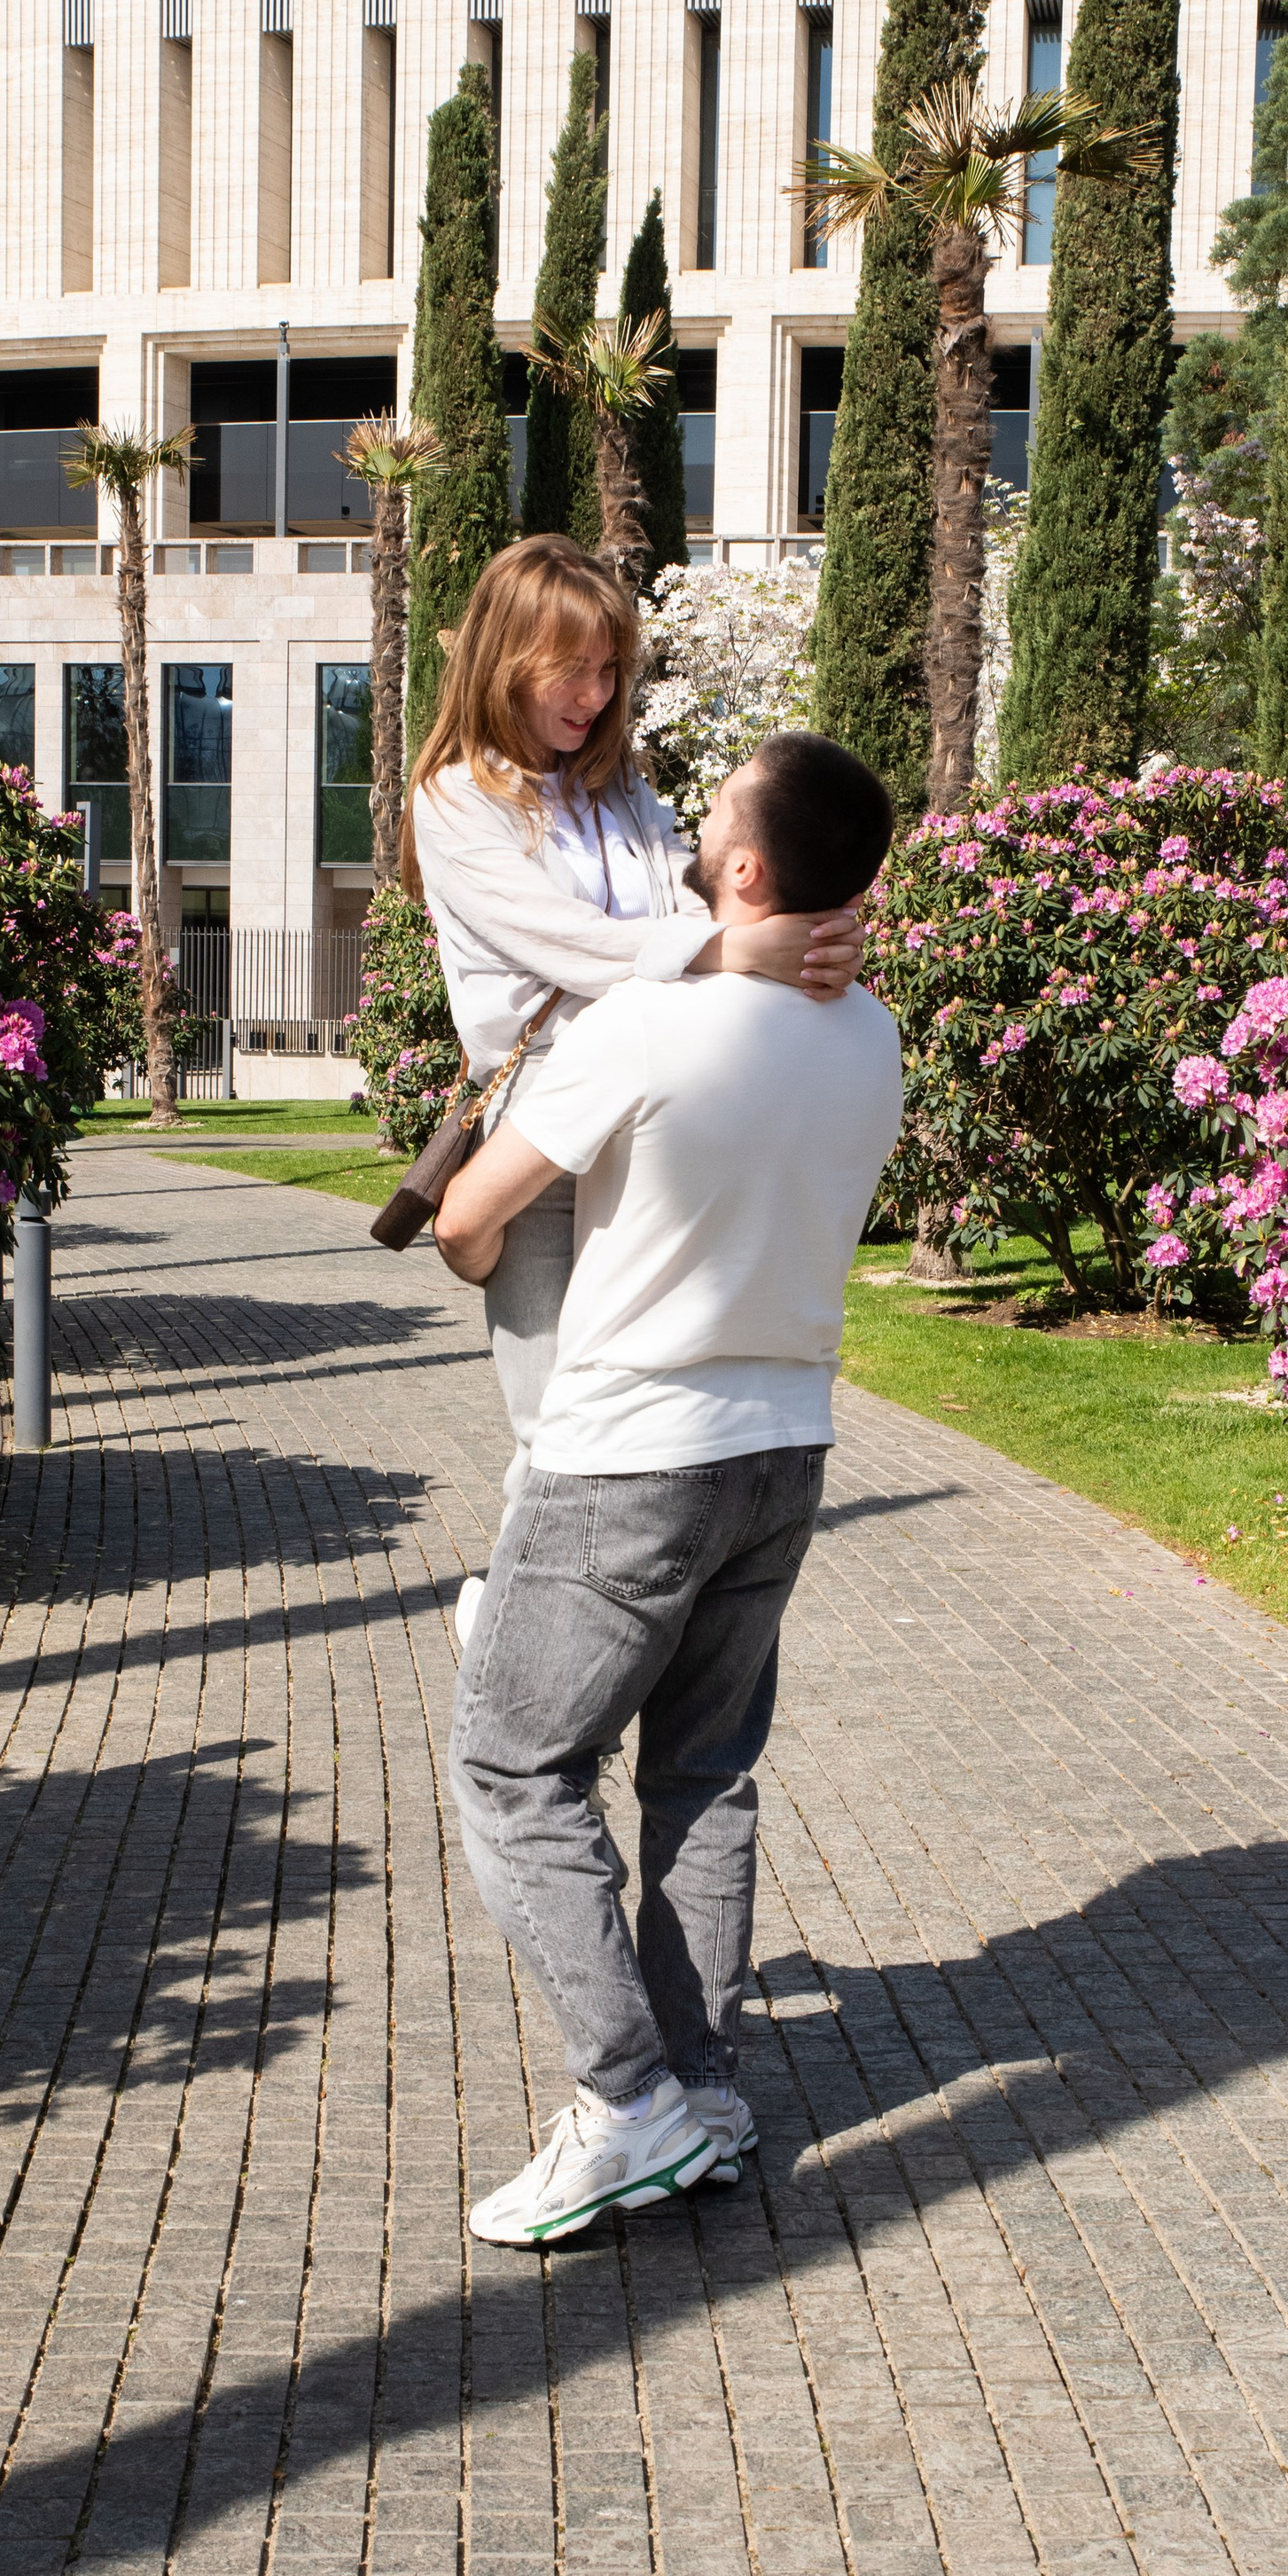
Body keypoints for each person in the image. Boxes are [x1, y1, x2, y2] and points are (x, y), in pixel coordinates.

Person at [429, 730, 902, 2247]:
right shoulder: (874, 1033)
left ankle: (625, 2101)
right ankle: (700, 2087)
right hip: (785, 1446)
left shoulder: (641, 1026)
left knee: (514, 1768)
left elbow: (468, 1212)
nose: (691, 836)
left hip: (630, 1452)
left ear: (749, 871)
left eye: (711, 823)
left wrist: (488, 1253)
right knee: (702, 1775)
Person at [402, 536, 865, 1581]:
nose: (594, 692)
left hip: (661, 1109)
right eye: (571, 666)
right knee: (555, 1424)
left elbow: (692, 895)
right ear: (504, 659)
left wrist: (814, 935)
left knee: (647, 1411)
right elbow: (558, 939)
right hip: (548, 1123)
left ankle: (588, 1658)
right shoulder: (454, 799)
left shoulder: (617, 786)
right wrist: (730, 947)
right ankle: (515, 1673)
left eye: (609, 667)